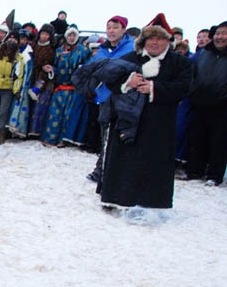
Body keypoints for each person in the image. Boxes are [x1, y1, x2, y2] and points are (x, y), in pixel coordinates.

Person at [97, 19, 192, 213]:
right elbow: (111, 81)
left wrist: (154, 88)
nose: (154, 42)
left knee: (154, 162)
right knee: (123, 160)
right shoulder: (130, 59)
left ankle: (150, 204)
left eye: (159, 38)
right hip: (127, 121)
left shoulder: (180, 63)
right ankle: (116, 199)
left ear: (168, 41)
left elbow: (185, 87)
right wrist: (128, 83)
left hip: (160, 122)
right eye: (150, 38)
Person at [85, 16, 135, 182]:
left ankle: (110, 171)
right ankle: (102, 170)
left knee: (119, 136)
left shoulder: (131, 49)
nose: (111, 31)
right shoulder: (103, 49)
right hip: (104, 98)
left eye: (115, 27)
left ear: (123, 30)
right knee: (105, 135)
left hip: (124, 99)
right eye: (109, 27)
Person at [184, 21, 227, 186]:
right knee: (196, 138)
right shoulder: (204, 53)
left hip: (222, 106)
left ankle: (214, 175)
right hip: (199, 102)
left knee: (219, 141)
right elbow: (192, 73)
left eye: (224, 33)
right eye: (217, 33)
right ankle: (194, 171)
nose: (220, 37)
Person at [41, 26, 91, 147]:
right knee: (54, 114)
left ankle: (63, 140)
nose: (71, 38)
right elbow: (56, 67)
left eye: (74, 35)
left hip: (74, 89)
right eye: (69, 35)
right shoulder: (59, 51)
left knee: (67, 116)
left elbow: (88, 67)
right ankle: (50, 138)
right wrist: (51, 69)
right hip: (60, 88)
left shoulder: (84, 51)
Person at [0, 35, 23, 144]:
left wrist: (16, 90)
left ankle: (1, 133)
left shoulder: (18, 58)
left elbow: (18, 76)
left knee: (3, 112)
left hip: (7, 88)